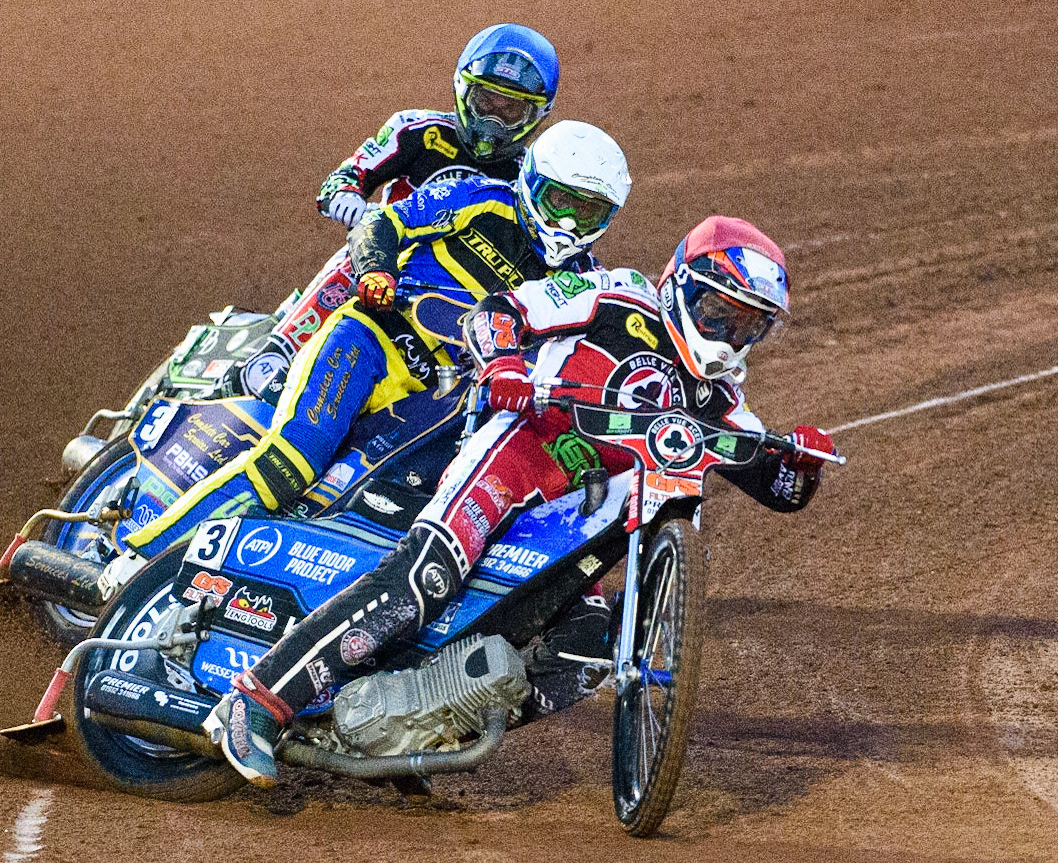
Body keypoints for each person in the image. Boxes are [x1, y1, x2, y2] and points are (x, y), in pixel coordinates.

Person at [202, 215, 837, 786]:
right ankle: (256, 704)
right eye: (718, 312)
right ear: (681, 284)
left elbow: (776, 488)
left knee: (588, 650)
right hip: (518, 452)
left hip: (573, 523)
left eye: (747, 325)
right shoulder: (616, 295)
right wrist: (506, 362)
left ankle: (410, 730)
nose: (728, 335)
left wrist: (800, 465)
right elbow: (497, 312)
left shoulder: (722, 398)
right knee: (424, 579)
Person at [108, 119, 630, 590]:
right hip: (372, 341)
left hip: (443, 400)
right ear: (534, 182)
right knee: (291, 461)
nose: (570, 221)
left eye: (589, 211)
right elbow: (379, 224)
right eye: (561, 200)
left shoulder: (583, 281)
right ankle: (138, 560)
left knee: (392, 508)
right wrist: (377, 268)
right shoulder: (480, 195)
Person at [221, 23, 561, 399]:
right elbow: (349, 174)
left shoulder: (530, 178)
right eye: (486, 103)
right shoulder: (417, 130)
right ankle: (272, 359)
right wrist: (347, 198)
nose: (491, 120)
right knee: (353, 256)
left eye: (509, 109)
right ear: (464, 91)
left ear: (534, 116)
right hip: (383, 265)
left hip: (452, 299)